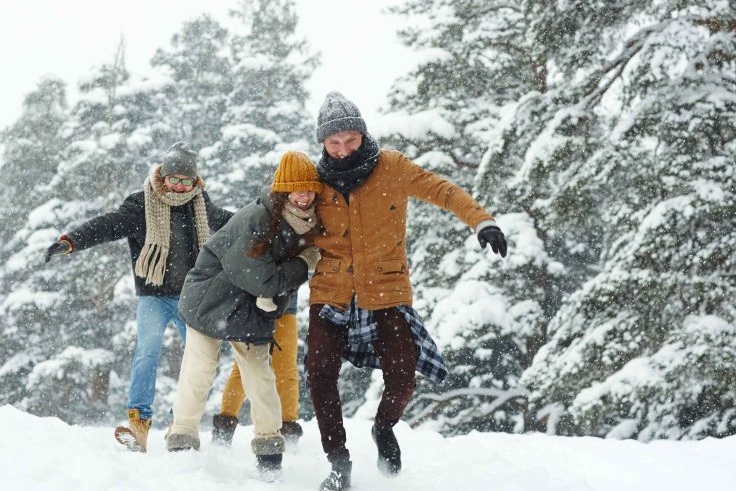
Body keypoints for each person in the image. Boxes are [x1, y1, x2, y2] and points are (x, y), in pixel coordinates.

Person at [305, 92, 508, 490]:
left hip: (385, 288)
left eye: (350, 139)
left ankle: (384, 428)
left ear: (362, 134)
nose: (344, 149)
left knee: (402, 373)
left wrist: (480, 222)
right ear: (323, 144)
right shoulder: (314, 182)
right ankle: (338, 462)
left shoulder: (392, 167)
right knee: (319, 373)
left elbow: (443, 191)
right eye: (334, 142)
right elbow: (281, 220)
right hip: (332, 291)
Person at [44, 141, 234, 453]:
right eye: (174, 179)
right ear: (163, 174)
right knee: (146, 352)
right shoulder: (141, 205)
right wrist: (71, 241)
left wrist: (263, 220)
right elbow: (107, 225)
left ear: (196, 181)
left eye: (186, 181)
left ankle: (181, 422)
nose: (179, 186)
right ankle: (138, 423)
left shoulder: (199, 204)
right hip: (154, 296)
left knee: (201, 359)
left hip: (192, 296)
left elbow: (228, 222)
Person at [165, 151, 322, 478]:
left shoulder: (304, 221)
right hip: (210, 298)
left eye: (310, 188)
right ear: (283, 189)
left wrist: (277, 291)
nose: (304, 195)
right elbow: (262, 278)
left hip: (249, 307)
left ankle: (268, 448)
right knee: (201, 368)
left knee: (260, 376)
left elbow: (271, 283)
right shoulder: (258, 220)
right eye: (297, 188)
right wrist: (303, 264)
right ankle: (182, 437)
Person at [211, 291, 303, 447]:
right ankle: (223, 431)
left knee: (285, 369)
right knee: (245, 366)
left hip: (284, 302)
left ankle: (289, 433)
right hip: (253, 301)